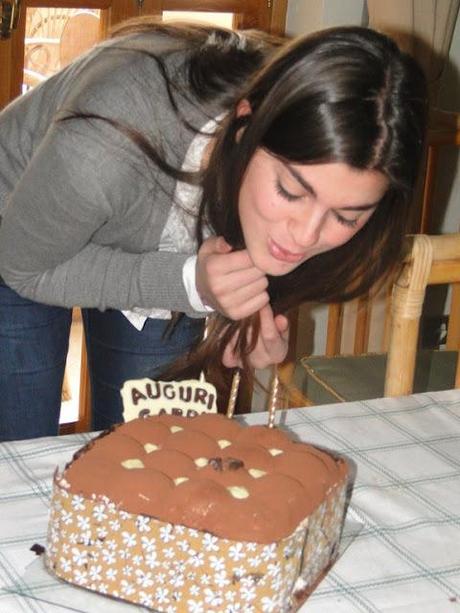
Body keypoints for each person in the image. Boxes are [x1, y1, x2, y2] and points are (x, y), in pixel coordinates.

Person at [0, 19, 427, 441]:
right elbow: (22, 267)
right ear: (245, 125)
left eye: (346, 217)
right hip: (18, 234)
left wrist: (249, 311)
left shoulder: (302, 155)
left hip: (154, 231)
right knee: (20, 442)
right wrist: (190, 284)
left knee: (149, 451)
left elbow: (247, 251)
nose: (304, 236)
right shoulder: (106, 140)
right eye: (290, 191)